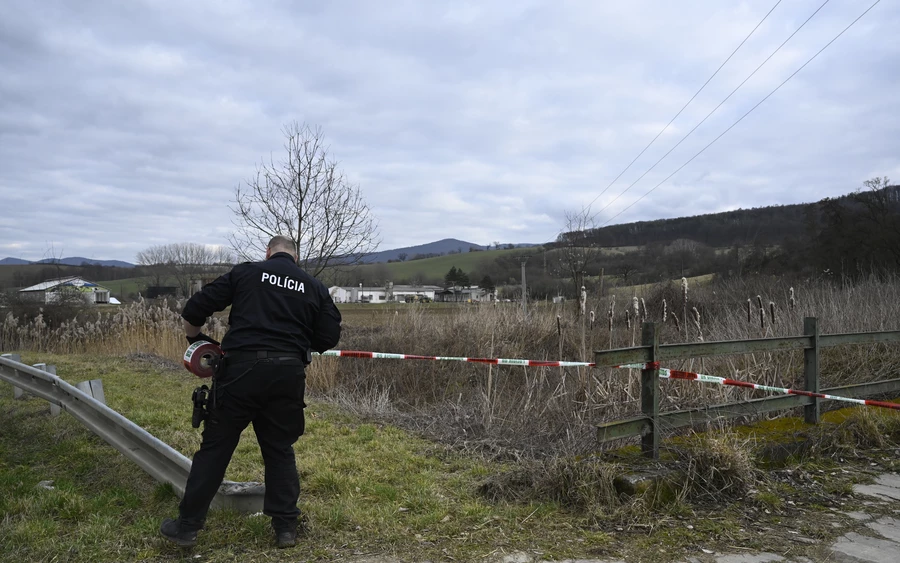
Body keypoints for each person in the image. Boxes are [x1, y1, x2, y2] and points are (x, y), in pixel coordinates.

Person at [160, 235, 342, 549]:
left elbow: (194, 309)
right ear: (295, 258)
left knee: (215, 450)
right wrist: (294, 341)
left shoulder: (247, 272)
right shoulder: (313, 286)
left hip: (239, 373)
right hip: (287, 375)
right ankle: (285, 529)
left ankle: (187, 528)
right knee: (279, 449)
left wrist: (195, 339)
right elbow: (327, 337)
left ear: (268, 253)